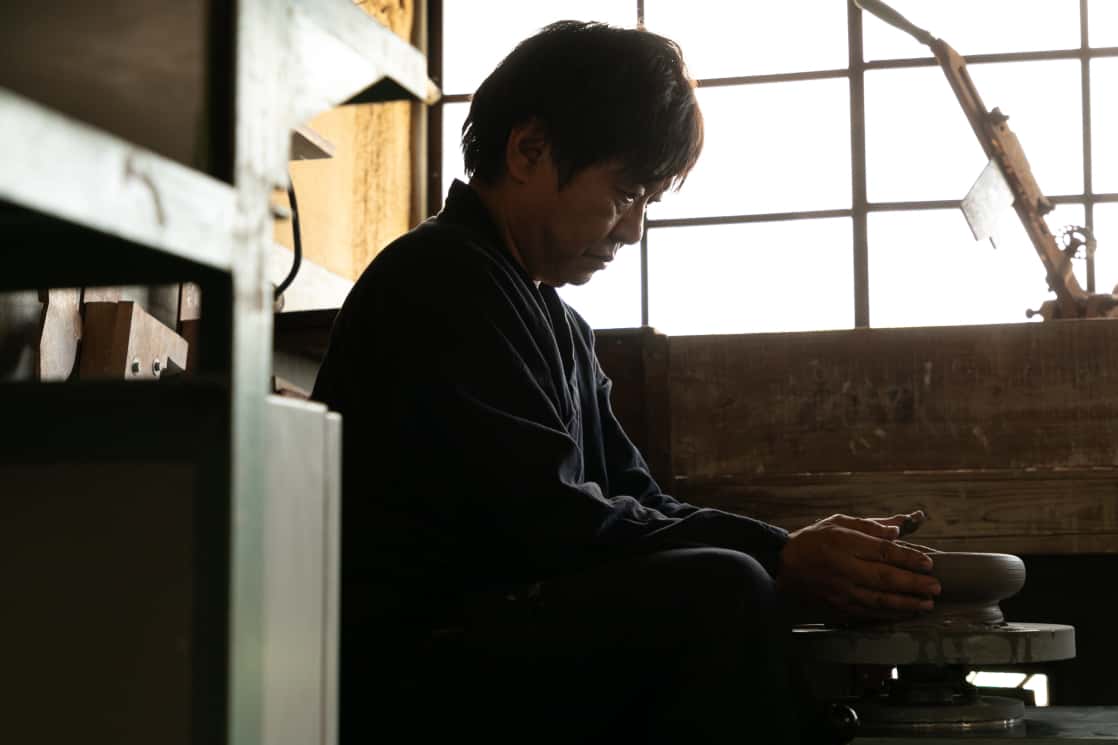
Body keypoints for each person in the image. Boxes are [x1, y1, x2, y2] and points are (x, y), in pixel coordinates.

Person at [311, 20, 941, 745]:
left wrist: (793, 551)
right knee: (724, 590)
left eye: (648, 203)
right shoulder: (438, 279)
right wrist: (777, 554)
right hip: (407, 661)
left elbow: (639, 502)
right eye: (625, 193)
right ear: (529, 150)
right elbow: (551, 521)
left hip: (494, 629)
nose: (634, 229)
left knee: (741, 581)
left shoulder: (559, 324)